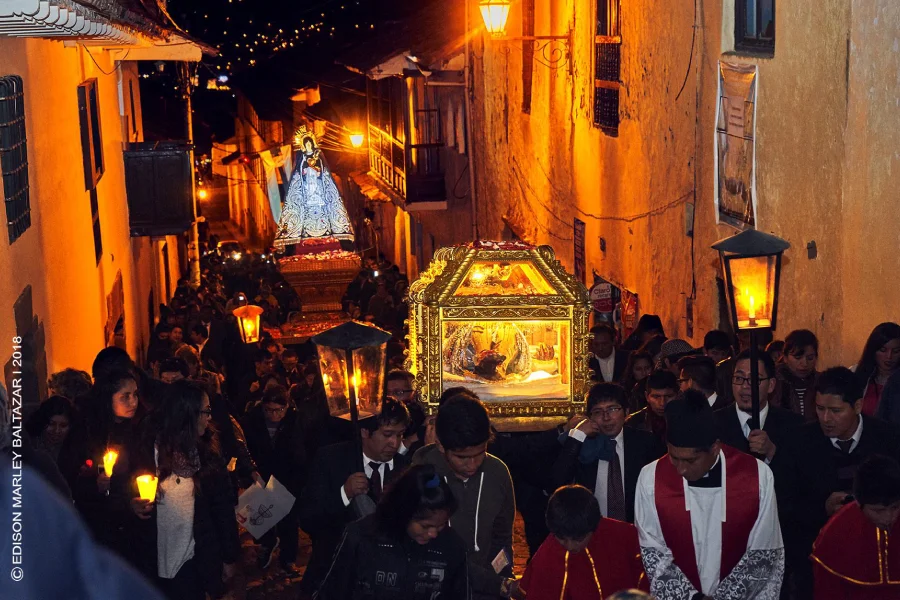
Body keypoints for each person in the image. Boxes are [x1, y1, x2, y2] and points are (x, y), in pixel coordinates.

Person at [635, 390, 784, 600]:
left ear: (714, 448)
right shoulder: (651, 478)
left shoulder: (757, 476)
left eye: (690, 461)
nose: (680, 470)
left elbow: (763, 554)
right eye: (674, 457)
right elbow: (653, 551)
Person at [780, 366, 900, 599]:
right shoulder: (797, 442)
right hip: (819, 562)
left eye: (835, 410)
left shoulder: (889, 439)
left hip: (884, 558)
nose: (826, 419)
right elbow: (784, 504)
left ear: (856, 405)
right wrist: (821, 508)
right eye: (820, 409)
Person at [129, 380, 240, 600]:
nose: (209, 417)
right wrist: (131, 504)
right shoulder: (148, 450)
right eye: (205, 411)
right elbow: (126, 487)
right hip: (155, 558)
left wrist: (229, 557)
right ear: (187, 414)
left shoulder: (208, 456)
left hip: (194, 559)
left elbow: (223, 510)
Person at [298, 399, 411, 594]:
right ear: (365, 432)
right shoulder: (331, 460)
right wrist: (344, 494)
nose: (395, 443)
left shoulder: (406, 468)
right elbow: (308, 519)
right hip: (337, 577)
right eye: (387, 434)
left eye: (400, 435)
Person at [413, 391, 517, 600]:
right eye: (462, 457)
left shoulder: (497, 472)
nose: (472, 465)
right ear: (441, 445)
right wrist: (495, 584)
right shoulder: (422, 475)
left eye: (479, 454)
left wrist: (503, 577)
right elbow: (426, 545)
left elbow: (502, 536)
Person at [316, 464, 470, 599]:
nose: (433, 533)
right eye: (425, 526)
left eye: (441, 525)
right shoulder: (362, 537)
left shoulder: (452, 547)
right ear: (404, 513)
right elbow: (332, 592)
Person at [553, 383, 665, 522]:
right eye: (598, 412)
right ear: (590, 417)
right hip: (593, 529)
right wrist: (577, 436)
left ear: (626, 412)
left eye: (612, 409)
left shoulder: (646, 443)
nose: (606, 417)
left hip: (638, 527)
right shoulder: (583, 444)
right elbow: (557, 482)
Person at [519, 485, 647, 599]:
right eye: (562, 539)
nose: (570, 546)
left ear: (594, 527)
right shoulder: (547, 555)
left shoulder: (626, 537)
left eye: (578, 539)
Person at [810, 455, 900, 599]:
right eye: (878, 511)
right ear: (859, 503)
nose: (889, 517)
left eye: (895, 507)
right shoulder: (835, 532)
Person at [241, 384, 309, 574]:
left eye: (278, 410)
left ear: (286, 406)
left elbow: (301, 450)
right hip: (260, 474)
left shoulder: (295, 420)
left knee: (288, 521)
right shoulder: (252, 420)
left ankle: (288, 559)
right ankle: (267, 544)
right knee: (260, 517)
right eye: (269, 410)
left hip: (287, 476)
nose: (273, 415)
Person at [714, 350, 803, 464]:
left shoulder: (794, 425)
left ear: (771, 385)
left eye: (754, 380)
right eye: (738, 378)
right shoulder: (713, 423)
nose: (745, 386)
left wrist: (771, 452)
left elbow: (799, 475)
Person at [274, 127, 354, 248]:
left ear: (312, 144)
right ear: (303, 145)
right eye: (305, 144)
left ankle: (327, 233)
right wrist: (306, 171)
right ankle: (305, 235)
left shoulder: (318, 157)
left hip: (318, 188)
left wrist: (316, 170)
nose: (308, 146)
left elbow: (323, 172)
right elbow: (299, 173)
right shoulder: (301, 159)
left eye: (309, 143)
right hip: (307, 189)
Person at [851, 322, 900, 416]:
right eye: (883, 350)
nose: (889, 356)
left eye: (896, 351)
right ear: (873, 350)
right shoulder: (855, 374)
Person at [626, 370, 678, 445]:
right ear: (647, 396)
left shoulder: (689, 420)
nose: (662, 403)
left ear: (678, 395)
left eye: (668, 396)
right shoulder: (632, 423)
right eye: (656, 396)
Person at [776, 329, 819, 421]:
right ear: (785, 357)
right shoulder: (773, 383)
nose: (804, 363)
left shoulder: (821, 382)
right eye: (798, 358)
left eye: (810, 358)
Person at [25, 395, 75, 463]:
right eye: (51, 424)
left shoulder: (76, 449)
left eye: (63, 425)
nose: (57, 431)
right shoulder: (28, 446)